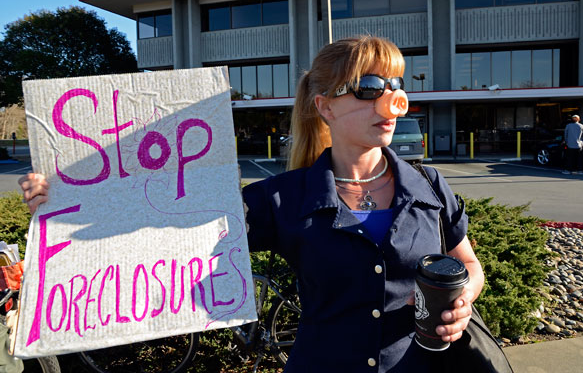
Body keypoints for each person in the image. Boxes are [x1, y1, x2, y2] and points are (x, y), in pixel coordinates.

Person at [20, 36, 484, 372]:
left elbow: (469, 265)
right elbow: (165, 226)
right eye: (370, 86)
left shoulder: (429, 184)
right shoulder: (282, 197)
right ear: (325, 107)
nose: (391, 98)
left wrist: (463, 298)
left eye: (395, 83)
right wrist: (67, 195)